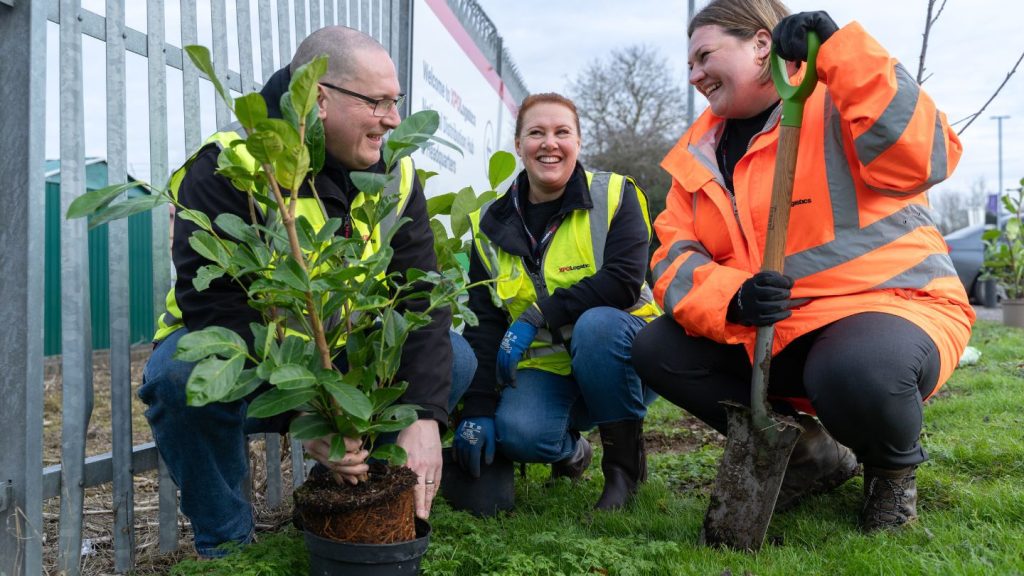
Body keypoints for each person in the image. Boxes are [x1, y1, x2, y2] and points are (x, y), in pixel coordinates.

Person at [632, 0, 975, 532]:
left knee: (853, 372)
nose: (695, 75)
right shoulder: (696, 156)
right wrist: (733, 297)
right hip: (781, 325)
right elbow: (672, 260)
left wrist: (843, 52)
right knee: (657, 348)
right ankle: (808, 454)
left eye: (705, 56)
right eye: (690, 64)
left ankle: (891, 472)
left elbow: (925, 156)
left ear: (760, 45)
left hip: (892, 305)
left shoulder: (839, 100)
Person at [138, 26, 476, 557]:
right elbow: (217, 307)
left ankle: (354, 498)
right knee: (176, 376)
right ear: (319, 99)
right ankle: (228, 547)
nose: (393, 119)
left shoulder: (394, 173)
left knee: (455, 357)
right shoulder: (232, 164)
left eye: (396, 101)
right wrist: (301, 411)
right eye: (377, 102)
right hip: (256, 365)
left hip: (344, 357)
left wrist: (424, 415)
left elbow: (418, 296)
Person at [452, 93, 660, 510]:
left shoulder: (614, 195)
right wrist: (478, 407)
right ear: (519, 145)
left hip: (627, 357)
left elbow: (622, 282)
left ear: (578, 142)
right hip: (549, 370)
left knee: (596, 326)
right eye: (536, 133)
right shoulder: (488, 225)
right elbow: (484, 321)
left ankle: (623, 471)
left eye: (562, 132)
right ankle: (573, 452)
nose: (550, 143)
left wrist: (538, 314)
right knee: (519, 434)